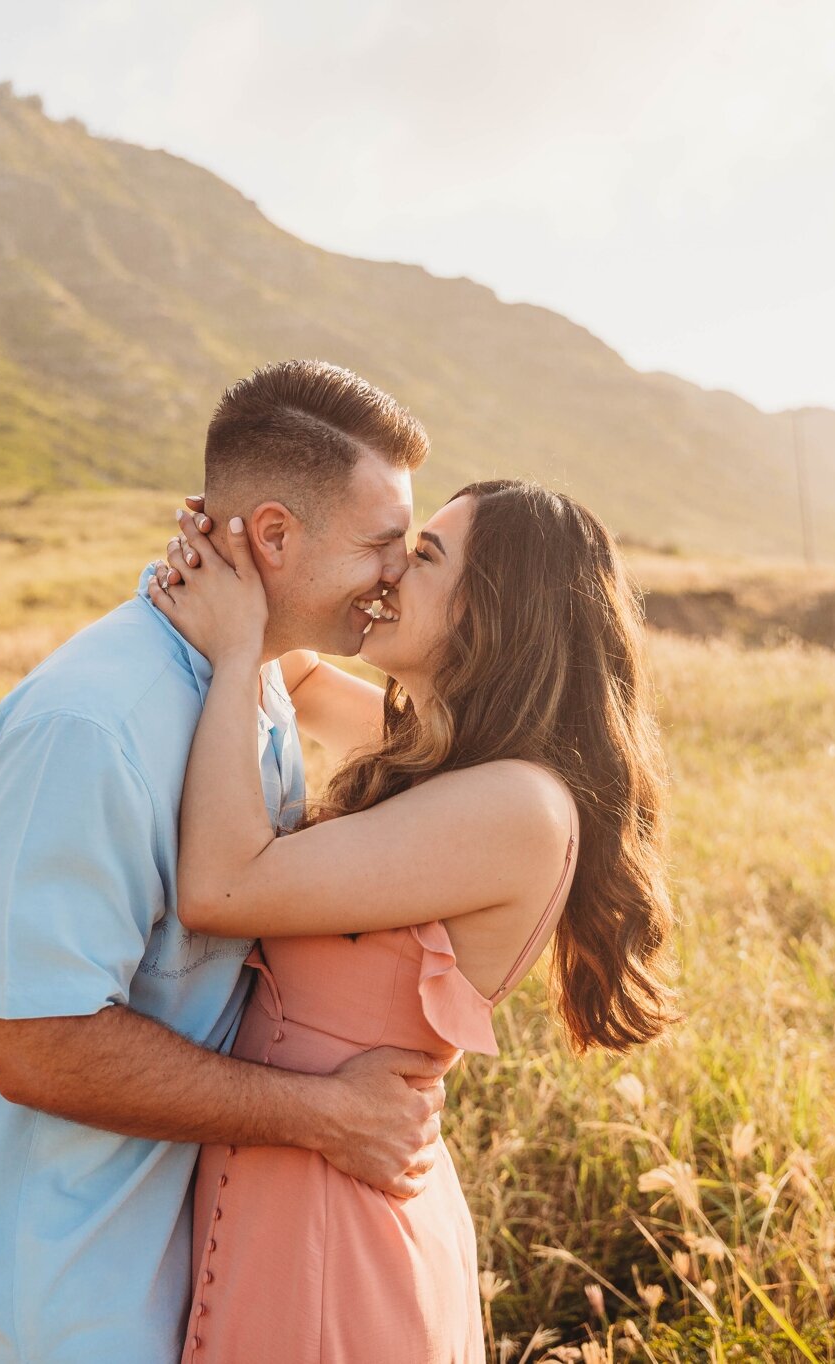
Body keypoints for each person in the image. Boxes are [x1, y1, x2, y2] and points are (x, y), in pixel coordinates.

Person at [0, 360, 457, 1364]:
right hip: (72, 1299)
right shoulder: (91, 725)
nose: (394, 570)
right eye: (381, 542)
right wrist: (326, 1115)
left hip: (202, 1263)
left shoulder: (248, 674)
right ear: (270, 535)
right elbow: (38, 1043)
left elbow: (416, 728)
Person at [143, 478, 681, 1363]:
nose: (391, 572)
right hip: (287, 1189)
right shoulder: (440, 756)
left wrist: (237, 654)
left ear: (496, 609)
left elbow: (224, 889)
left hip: (334, 1234)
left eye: (423, 555)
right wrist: (246, 553)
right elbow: (306, 676)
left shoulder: (516, 805)